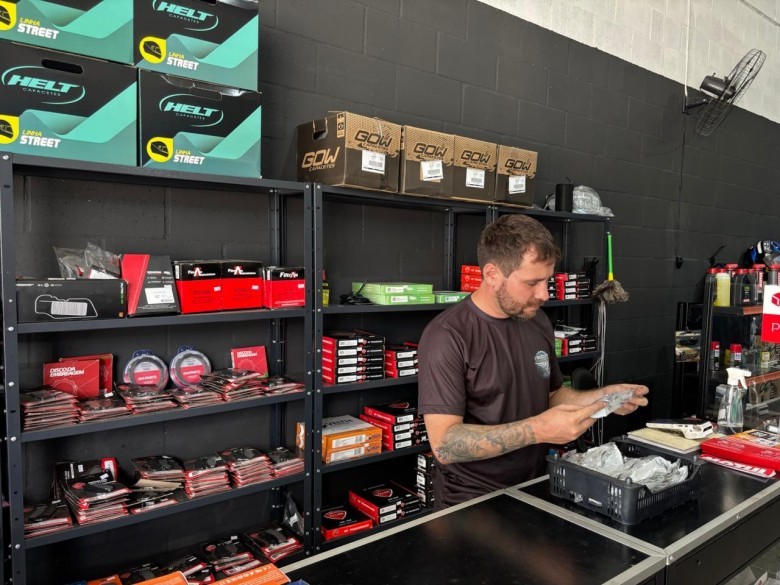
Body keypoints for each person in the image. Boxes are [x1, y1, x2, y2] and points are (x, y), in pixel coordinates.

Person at [417, 214, 649, 510]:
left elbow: (550, 394)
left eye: (547, 280)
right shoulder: (447, 335)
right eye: (532, 282)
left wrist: (601, 398)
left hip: (534, 485)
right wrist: (537, 430)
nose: (544, 294)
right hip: (471, 501)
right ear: (492, 274)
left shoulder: (536, 320)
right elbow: (445, 444)